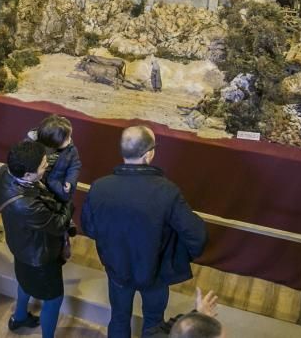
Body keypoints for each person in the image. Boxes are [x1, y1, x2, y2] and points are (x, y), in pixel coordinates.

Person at [82, 126, 208, 338]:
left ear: (122, 152)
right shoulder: (167, 191)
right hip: (155, 272)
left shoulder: (100, 187)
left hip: (117, 269)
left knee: (119, 317)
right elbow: (197, 236)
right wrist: (176, 255)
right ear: (149, 154)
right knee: (154, 322)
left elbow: (89, 228)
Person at [0, 140, 72, 338]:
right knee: (54, 299)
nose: (46, 166)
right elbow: (58, 224)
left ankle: (19, 317)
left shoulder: (4, 173)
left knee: (24, 282)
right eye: (43, 165)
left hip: (21, 247)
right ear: (28, 174)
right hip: (40, 257)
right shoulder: (27, 205)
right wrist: (68, 202)